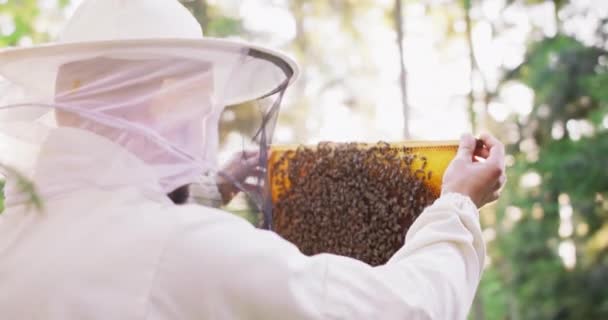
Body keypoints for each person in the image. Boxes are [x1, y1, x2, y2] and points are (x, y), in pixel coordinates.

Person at [0, 0, 506, 319]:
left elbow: (125, 257)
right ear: (167, 98)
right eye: (200, 100)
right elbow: (400, 309)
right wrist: (457, 205)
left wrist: (212, 187)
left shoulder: (15, 235)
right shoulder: (179, 247)